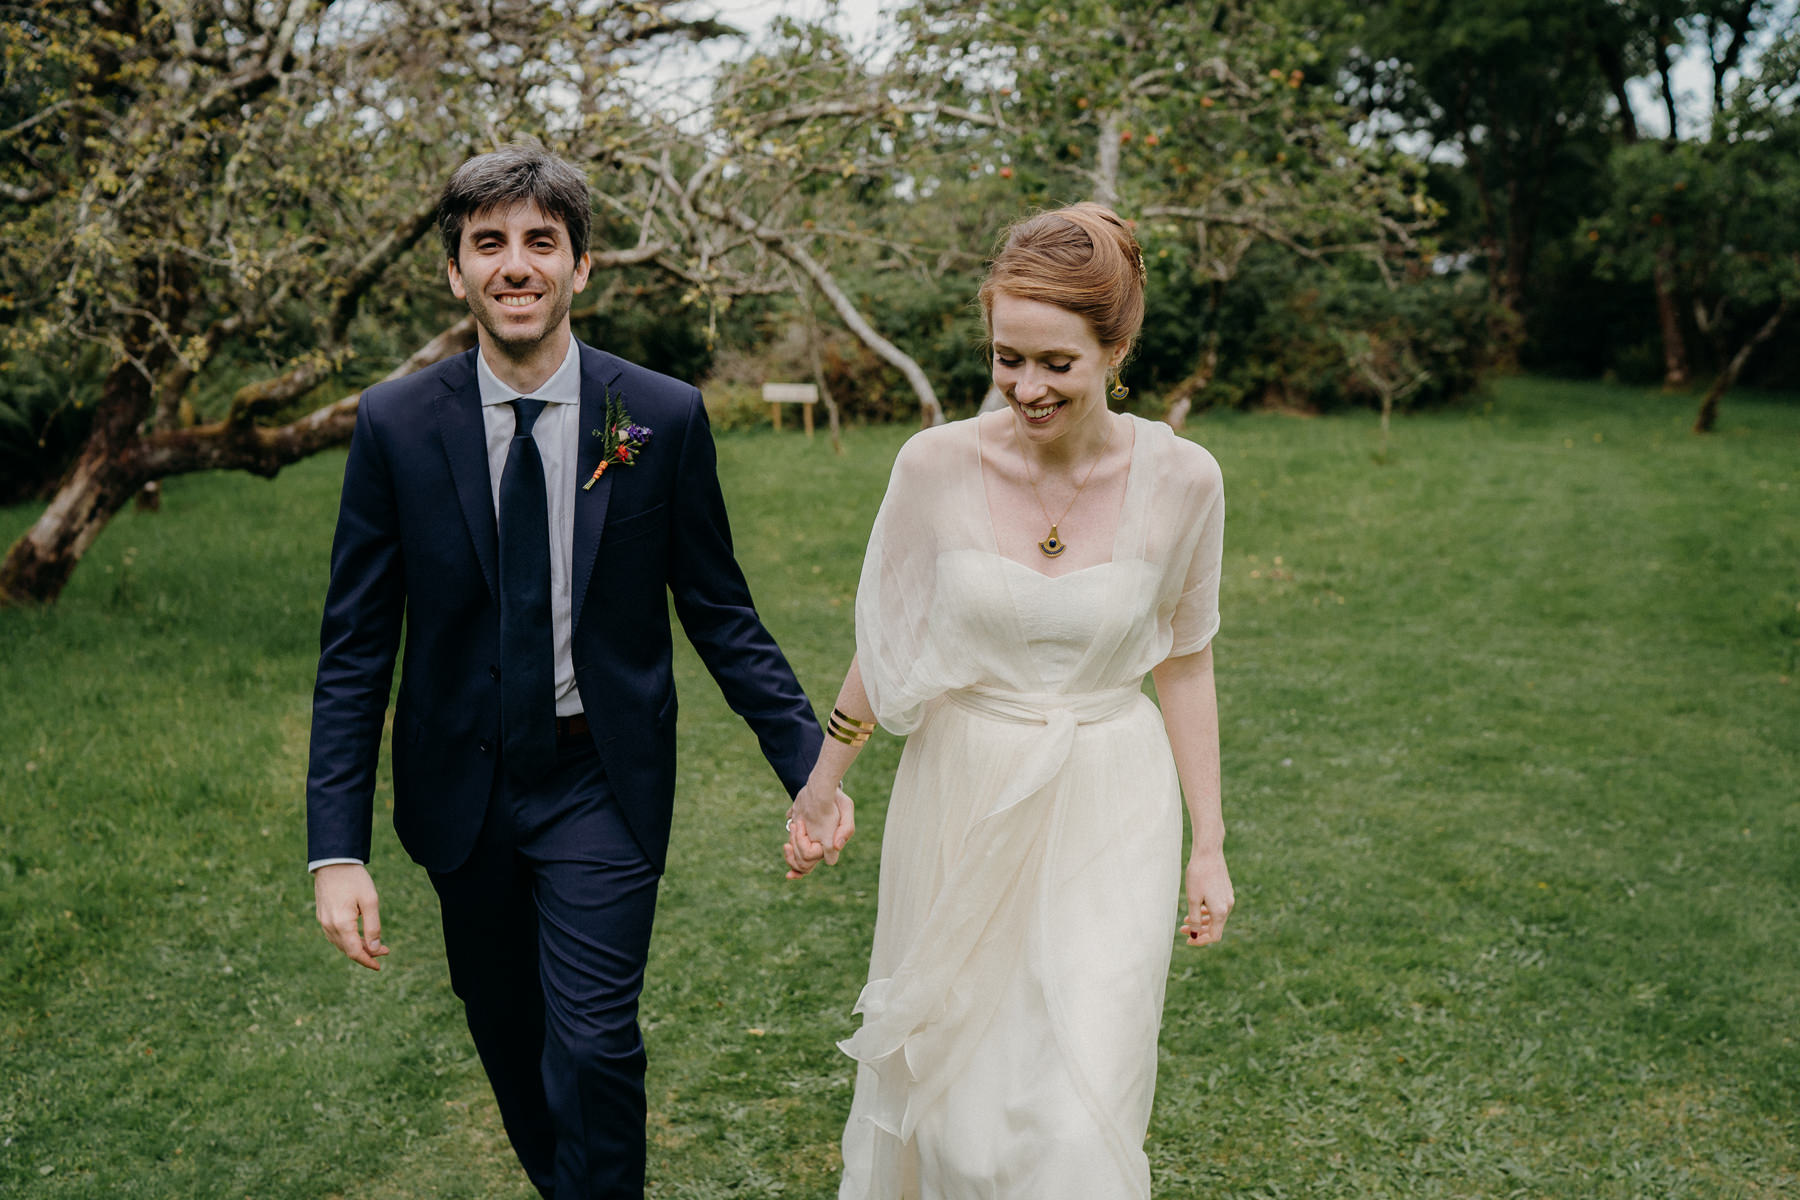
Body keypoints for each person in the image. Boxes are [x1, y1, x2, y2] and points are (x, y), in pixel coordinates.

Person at [305, 141, 850, 1200]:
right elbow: (356, 648)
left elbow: (721, 612)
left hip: (598, 776)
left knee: (596, 1049)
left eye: (541, 242)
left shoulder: (659, 416)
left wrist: (809, 769)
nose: (517, 264)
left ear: (582, 267)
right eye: (489, 244)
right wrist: (337, 850)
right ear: (454, 272)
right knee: (514, 1045)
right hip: (460, 790)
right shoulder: (395, 425)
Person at [784, 202, 1232, 1199]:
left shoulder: (1186, 482)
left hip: (1111, 799)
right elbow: (886, 643)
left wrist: (1209, 843)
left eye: (1056, 364)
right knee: (962, 1122)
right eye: (1006, 358)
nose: (1026, 387)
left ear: (1116, 351)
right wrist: (822, 788)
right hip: (962, 792)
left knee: (1080, 1116)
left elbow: (1188, 660)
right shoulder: (933, 468)